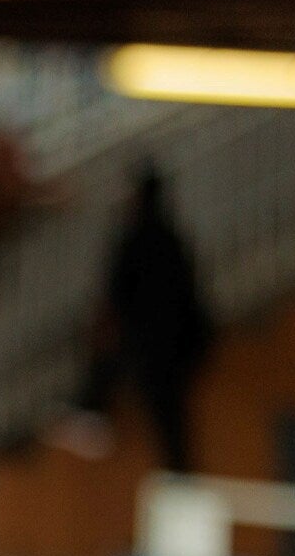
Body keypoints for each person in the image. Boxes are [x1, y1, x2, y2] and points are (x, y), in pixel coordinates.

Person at [75, 162, 215, 473]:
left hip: (156, 346)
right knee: (172, 425)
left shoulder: (139, 238)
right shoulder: (170, 237)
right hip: (168, 345)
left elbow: (116, 295)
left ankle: (180, 479)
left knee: (169, 421)